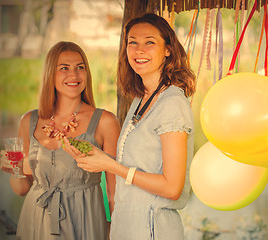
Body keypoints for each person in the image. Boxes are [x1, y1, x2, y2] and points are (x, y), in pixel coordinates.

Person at [64, 13, 196, 240]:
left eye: (149, 42)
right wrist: (94, 155)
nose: (138, 50)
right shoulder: (141, 98)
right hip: (128, 228)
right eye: (132, 42)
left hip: (153, 229)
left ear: (168, 50)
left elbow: (172, 188)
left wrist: (111, 166)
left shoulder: (172, 103)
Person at [0, 41, 120, 239]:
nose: (73, 75)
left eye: (79, 67)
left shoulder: (105, 121)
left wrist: (115, 228)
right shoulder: (29, 121)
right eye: (64, 68)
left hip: (85, 219)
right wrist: (14, 170)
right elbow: (22, 189)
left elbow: (115, 193)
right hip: (36, 221)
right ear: (50, 74)